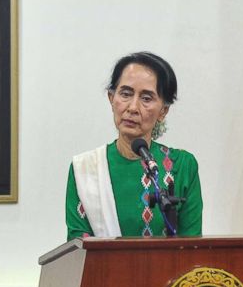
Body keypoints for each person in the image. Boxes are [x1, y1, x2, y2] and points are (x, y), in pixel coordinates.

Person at [65, 52, 202, 239]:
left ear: (163, 111)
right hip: (102, 269)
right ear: (111, 99)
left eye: (146, 98)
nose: (132, 107)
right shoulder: (85, 169)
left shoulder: (182, 166)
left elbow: (192, 249)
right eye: (126, 94)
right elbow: (78, 250)